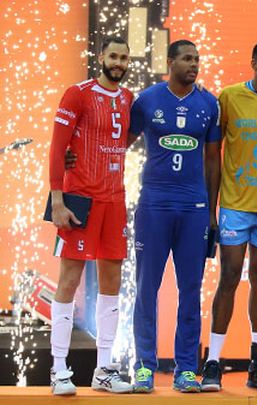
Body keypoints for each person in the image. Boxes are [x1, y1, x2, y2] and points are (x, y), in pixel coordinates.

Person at [129, 39, 221, 393]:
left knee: (191, 290)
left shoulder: (209, 103)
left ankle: (186, 370)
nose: (194, 64)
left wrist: (211, 211)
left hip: (194, 209)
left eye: (197, 59)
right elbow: (118, 144)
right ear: (170, 62)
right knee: (146, 288)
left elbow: (212, 161)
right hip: (154, 206)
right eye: (186, 59)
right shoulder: (147, 100)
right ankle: (144, 367)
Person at [200, 40, 257, 392]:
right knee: (229, 277)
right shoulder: (229, 96)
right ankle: (213, 362)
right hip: (235, 205)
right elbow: (212, 152)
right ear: (254, 63)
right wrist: (211, 209)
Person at [47, 36, 133, 396]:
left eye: (123, 58)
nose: (118, 63)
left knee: (112, 282)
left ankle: (103, 370)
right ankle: (58, 370)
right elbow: (57, 148)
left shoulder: (129, 99)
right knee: (69, 280)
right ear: (101, 57)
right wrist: (57, 200)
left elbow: (125, 139)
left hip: (115, 201)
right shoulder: (77, 94)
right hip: (79, 200)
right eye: (113, 56)